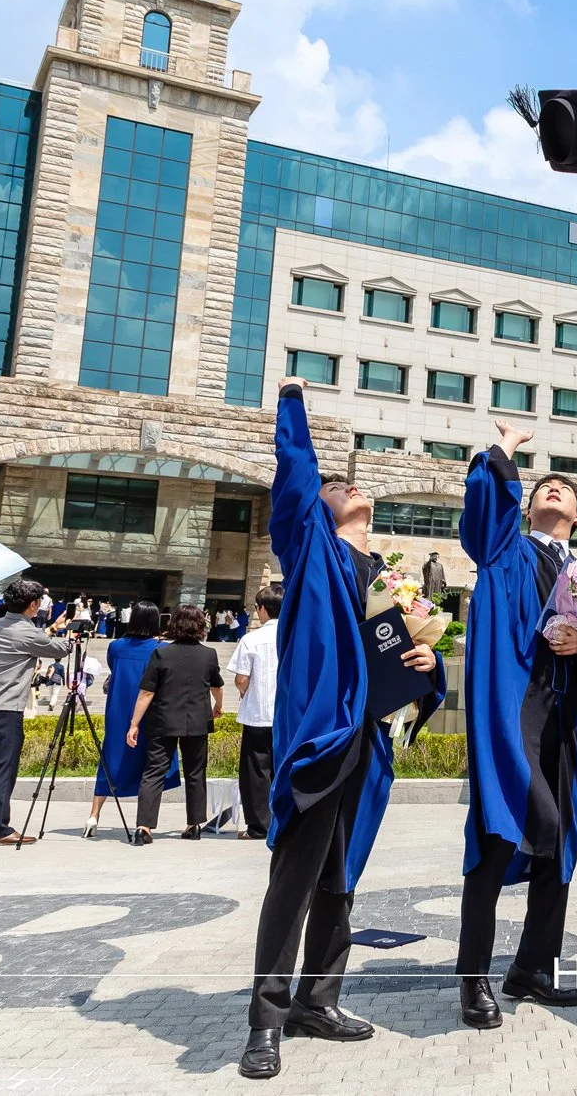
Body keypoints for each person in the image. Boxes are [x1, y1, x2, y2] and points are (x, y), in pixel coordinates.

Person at [243, 377, 444, 1079]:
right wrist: (293, 404)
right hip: (324, 736)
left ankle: (317, 1002)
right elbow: (295, 474)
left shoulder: (389, 576)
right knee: (294, 879)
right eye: (336, 484)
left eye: (351, 482)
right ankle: (264, 1021)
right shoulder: (310, 548)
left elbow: (415, 655)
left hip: (372, 742)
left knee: (340, 880)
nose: (345, 484)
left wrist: (429, 661)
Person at [452, 418, 577, 1031]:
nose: (553, 491)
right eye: (543, 487)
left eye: (564, 491)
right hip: (517, 712)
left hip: (566, 717)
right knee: (497, 837)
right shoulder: (504, 550)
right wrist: (503, 456)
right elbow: (485, 513)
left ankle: (532, 968)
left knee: (560, 842)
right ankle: (472, 979)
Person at [0, 580, 72, 846]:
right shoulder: (27, 632)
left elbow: (34, 640)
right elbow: (58, 649)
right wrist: (64, 634)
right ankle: (0, 829)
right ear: (33, 605)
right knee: (2, 770)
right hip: (6, 709)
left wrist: (50, 630)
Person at [125, 605, 223, 842]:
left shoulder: (161, 653)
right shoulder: (209, 654)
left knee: (154, 771)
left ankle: (143, 828)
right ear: (201, 626)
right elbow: (216, 686)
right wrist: (218, 706)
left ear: (174, 625)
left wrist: (134, 723)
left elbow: (146, 692)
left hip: (164, 719)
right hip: (198, 721)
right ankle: (194, 824)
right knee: (195, 772)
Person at [85, 601, 178, 839]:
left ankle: (94, 814)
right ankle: (143, 822)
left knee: (110, 757)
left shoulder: (116, 647)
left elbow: (113, 668)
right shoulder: (161, 649)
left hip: (119, 708)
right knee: (152, 762)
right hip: (150, 709)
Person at [229, 584, 284, 840]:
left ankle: (259, 826)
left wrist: (245, 692)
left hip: (258, 714)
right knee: (283, 769)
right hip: (286, 716)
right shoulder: (294, 637)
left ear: (262, 609)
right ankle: (286, 823)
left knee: (256, 773)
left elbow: (241, 679)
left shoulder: (251, 639)